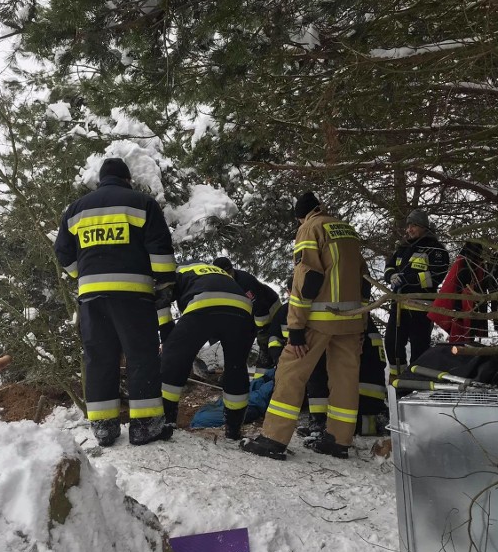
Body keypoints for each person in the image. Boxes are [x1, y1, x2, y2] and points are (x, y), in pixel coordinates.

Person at [54, 157, 176, 447]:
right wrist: (165, 283)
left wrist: (81, 275)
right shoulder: (141, 203)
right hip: (133, 294)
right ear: (127, 180)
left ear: (100, 180)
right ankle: (145, 426)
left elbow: (63, 253)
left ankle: (104, 429)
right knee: (141, 356)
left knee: (99, 359)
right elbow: (159, 248)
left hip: (92, 298)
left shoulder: (75, 210)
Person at [241, 192, 371, 460]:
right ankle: (337, 440)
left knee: (290, 373)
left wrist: (296, 327)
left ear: (302, 214)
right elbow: (365, 281)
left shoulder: (309, 228)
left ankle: (273, 439)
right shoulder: (347, 230)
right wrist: (362, 321)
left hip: (319, 319)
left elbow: (308, 278)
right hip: (351, 320)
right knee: (345, 379)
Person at [157, 261, 255, 439]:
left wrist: (168, 341)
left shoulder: (173, 273)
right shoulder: (209, 271)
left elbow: (161, 302)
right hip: (243, 309)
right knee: (236, 368)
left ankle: (166, 421)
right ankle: (233, 429)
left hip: (204, 302)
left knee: (173, 361)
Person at [383, 209, 450, 376]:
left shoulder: (436, 250)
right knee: (392, 344)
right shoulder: (403, 247)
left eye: (413, 225)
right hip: (398, 307)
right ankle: (397, 379)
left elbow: (434, 277)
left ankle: (417, 384)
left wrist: (407, 279)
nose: (409, 229)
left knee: (419, 350)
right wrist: (391, 276)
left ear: (423, 226)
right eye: (408, 226)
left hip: (421, 309)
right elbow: (389, 267)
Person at [212, 256, 280, 379]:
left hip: (268, 308)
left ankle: (266, 379)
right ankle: (232, 374)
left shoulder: (245, 282)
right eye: (224, 274)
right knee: (237, 343)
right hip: (248, 312)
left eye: (230, 272)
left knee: (267, 347)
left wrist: (262, 331)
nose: (229, 276)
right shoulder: (215, 282)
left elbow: (260, 307)